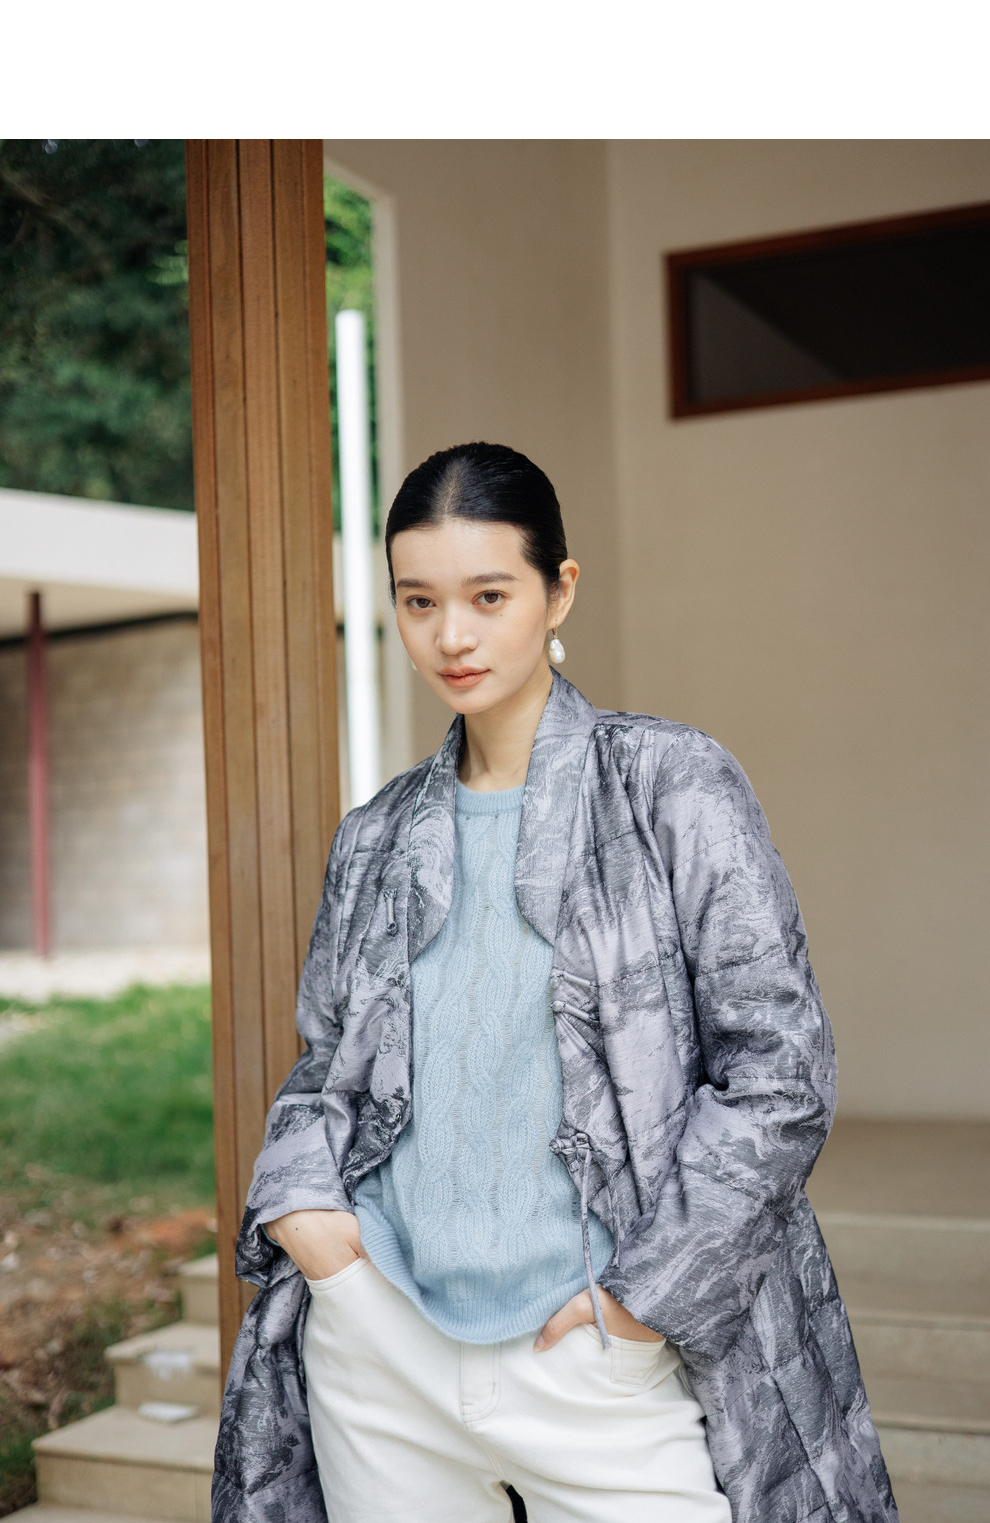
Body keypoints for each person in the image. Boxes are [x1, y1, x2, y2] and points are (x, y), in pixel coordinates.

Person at [212, 443, 899, 1523]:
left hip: (602, 1353)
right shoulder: (376, 835)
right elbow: (326, 1067)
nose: (452, 635)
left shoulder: (670, 784)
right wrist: (310, 1223)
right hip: (383, 1347)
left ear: (558, 590)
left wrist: (642, 1304)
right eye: (419, 600)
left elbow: (780, 1074)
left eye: (489, 595)